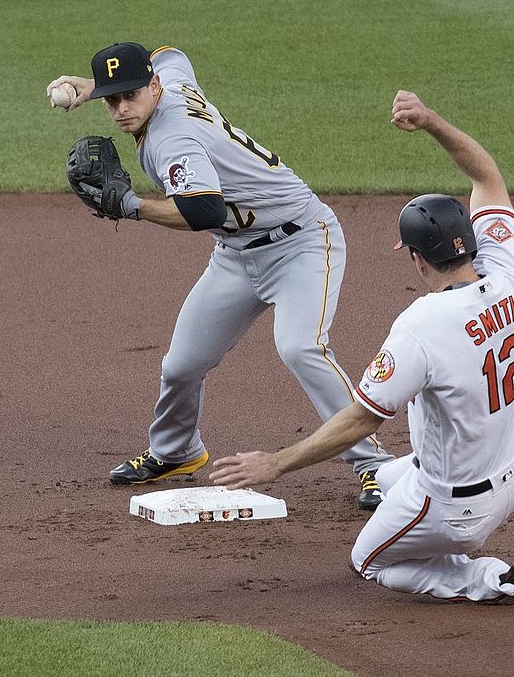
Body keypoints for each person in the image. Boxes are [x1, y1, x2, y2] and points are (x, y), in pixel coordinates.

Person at [210, 90, 514, 602]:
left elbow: (363, 419)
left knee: (368, 560)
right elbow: (486, 175)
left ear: (417, 260)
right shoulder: (509, 274)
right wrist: (431, 121)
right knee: (387, 472)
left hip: (456, 509)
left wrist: (276, 462)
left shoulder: (422, 325)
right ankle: (399, 489)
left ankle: (492, 577)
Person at [47, 43, 393, 510]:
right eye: (112, 100)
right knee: (182, 364)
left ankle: (375, 466)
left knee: (301, 347)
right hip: (235, 254)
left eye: (130, 96)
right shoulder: (170, 78)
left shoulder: (174, 140)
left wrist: (132, 208)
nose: (121, 109)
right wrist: (89, 87)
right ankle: (176, 451)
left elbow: (202, 210)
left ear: (153, 87)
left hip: (301, 243)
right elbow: (170, 51)